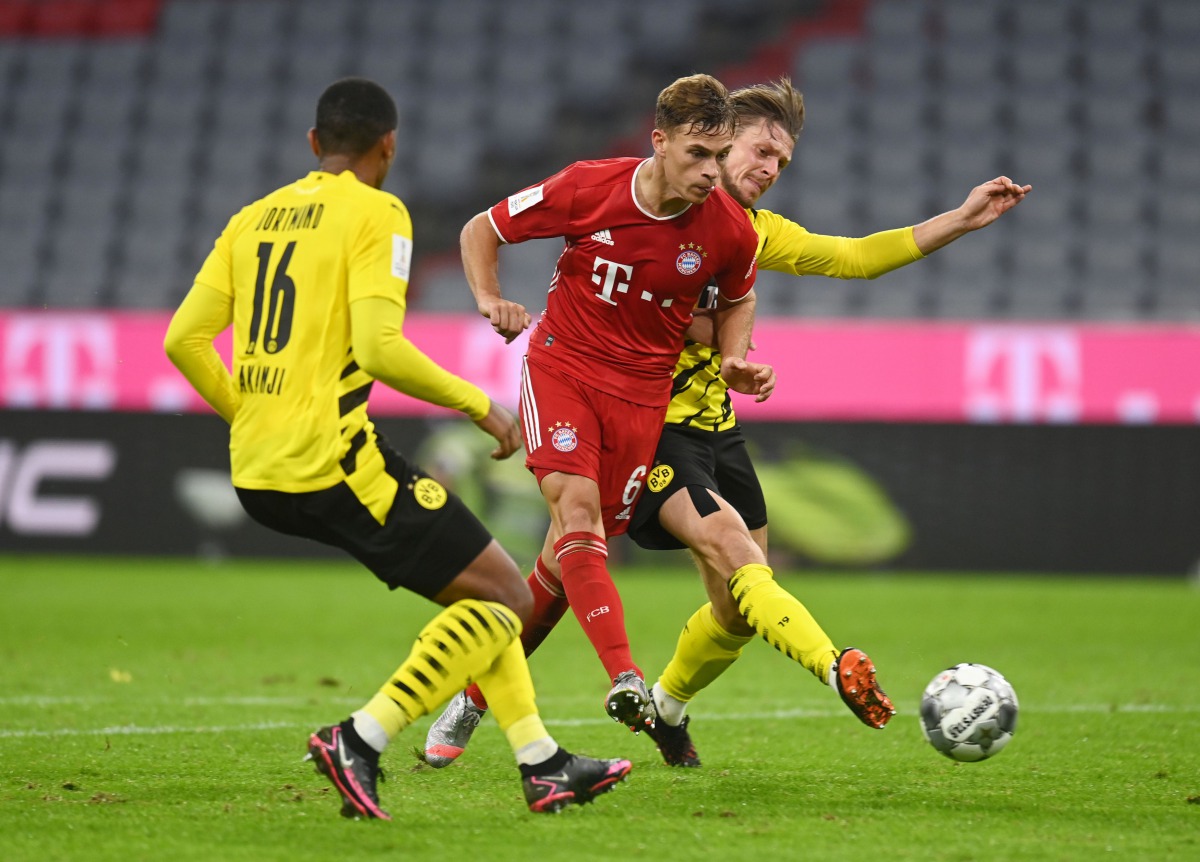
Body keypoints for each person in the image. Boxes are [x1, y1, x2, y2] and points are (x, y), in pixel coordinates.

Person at [425, 77, 1031, 770]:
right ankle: (833, 668)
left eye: (782, 161)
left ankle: (664, 706)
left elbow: (854, 258)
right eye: (759, 150)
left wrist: (959, 217)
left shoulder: (748, 236)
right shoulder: (633, 197)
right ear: (715, 142)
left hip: (717, 429)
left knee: (724, 607)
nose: (767, 169)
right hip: (652, 428)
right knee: (688, 545)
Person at [163, 77, 632, 818]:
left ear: (315, 145)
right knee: (509, 595)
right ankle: (361, 736)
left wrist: (250, 415)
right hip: (336, 462)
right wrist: (480, 404)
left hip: (257, 469)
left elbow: (182, 340)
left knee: (484, 591)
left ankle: (541, 762)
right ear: (389, 146)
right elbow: (379, 349)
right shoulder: (378, 212)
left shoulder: (250, 219)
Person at [424, 73, 770, 763]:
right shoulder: (590, 185)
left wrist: (733, 360)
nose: (711, 171)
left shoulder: (729, 229)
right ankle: (626, 677)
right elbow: (481, 228)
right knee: (576, 515)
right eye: (699, 153)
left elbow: (735, 300)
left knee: (560, 559)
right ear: (660, 140)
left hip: (642, 399)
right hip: (563, 369)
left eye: (720, 154)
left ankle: (473, 697)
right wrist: (491, 298)